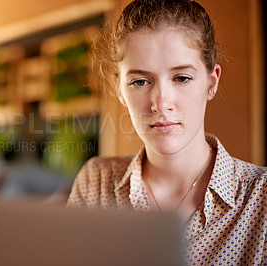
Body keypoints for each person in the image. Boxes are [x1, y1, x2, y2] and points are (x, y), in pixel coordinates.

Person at [67, 0, 267, 264]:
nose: (160, 103)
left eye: (181, 78)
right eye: (139, 81)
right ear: (119, 89)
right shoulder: (96, 183)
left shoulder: (261, 198)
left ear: (212, 81)